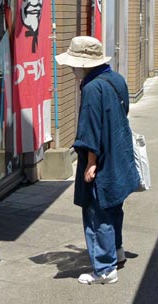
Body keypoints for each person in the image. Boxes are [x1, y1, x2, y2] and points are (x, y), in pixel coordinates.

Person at [56, 36, 139, 285]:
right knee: (114, 205)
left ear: (84, 64)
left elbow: (90, 129)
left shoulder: (92, 88)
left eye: (74, 65)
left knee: (97, 212)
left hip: (100, 159)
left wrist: (91, 163)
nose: (72, 70)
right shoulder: (115, 79)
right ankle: (117, 250)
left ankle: (104, 268)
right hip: (118, 153)